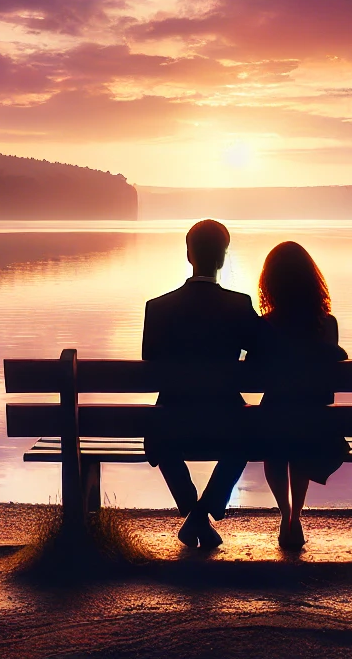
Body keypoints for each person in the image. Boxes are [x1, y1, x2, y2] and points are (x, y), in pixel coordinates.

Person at [141, 219, 260, 549]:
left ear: (189, 255)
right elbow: (265, 352)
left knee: (160, 439)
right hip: (227, 424)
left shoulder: (158, 308)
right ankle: (201, 514)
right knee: (248, 438)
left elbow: (149, 361)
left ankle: (194, 512)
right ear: (222, 258)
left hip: (171, 424)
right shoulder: (239, 305)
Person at [249, 240, 349, 550]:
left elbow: (251, 375)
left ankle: (286, 513)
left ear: (270, 283)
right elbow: (330, 388)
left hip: (275, 415)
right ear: (311, 280)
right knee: (301, 440)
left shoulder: (265, 326)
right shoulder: (326, 324)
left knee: (276, 445)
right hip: (314, 419)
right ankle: (296, 517)